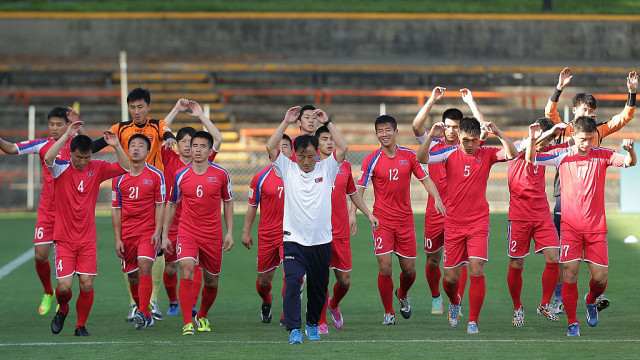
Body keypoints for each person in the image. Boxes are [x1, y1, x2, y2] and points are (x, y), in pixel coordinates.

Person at [526, 116, 636, 336]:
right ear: (574, 136)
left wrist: (630, 152)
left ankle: (590, 299)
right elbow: (531, 158)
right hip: (570, 228)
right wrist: (534, 138)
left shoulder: (602, 155)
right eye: (582, 139)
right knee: (570, 274)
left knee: (599, 278)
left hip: (596, 228)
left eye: (590, 139)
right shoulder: (562, 155)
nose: (586, 143)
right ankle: (572, 323)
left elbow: (629, 162)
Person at [268, 106, 367, 344]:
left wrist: (328, 121)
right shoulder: (288, 168)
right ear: (295, 155)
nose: (305, 161)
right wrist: (285, 121)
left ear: (317, 154)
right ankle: (294, 329)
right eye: (301, 156)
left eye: (310, 156)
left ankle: (312, 325)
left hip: (322, 242)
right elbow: (271, 147)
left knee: (318, 289)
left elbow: (344, 147)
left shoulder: (328, 168)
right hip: (293, 241)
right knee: (293, 282)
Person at [544, 68, 637, 313]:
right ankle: (560, 298)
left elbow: (623, 118)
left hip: (590, 195)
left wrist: (632, 94)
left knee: (589, 251)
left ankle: (592, 293)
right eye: (585, 110)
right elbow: (548, 113)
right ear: (575, 111)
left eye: (592, 111)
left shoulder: (598, 131)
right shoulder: (565, 130)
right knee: (564, 254)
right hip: (565, 194)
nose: (589, 114)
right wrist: (559, 87)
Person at [417, 117, 518, 334]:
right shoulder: (449, 152)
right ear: (459, 137)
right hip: (453, 223)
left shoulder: (487, 153)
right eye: (466, 140)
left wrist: (498, 132)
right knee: (450, 280)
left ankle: (473, 320)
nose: (470, 144)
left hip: (479, 223)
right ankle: (454, 301)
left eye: (473, 140)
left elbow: (513, 154)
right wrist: (431, 137)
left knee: (476, 269)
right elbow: (421, 158)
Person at [94, 87, 178, 322]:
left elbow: (169, 134)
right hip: (129, 193)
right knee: (133, 269)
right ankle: (137, 303)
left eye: (140, 106)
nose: (136, 111)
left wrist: (171, 140)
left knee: (151, 256)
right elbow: (93, 147)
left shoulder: (157, 126)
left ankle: (150, 303)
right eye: (132, 107)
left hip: (154, 191)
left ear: (148, 107)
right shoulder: (119, 128)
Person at [356, 114, 445, 326]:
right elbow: (357, 191)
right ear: (376, 134)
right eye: (380, 131)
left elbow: (426, 180)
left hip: (405, 221)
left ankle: (402, 294)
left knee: (409, 270)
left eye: (388, 130)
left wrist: (437, 199)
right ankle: (389, 312)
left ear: (396, 132)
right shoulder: (371, 159)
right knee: (385, 267)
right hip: (382, 222)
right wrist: (366, 214)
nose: (384, 134)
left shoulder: (409, 156)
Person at [45, 120, 129, 336]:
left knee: (86, 283)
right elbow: (48, 158)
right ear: (71, 153)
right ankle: (63, 308)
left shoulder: (98, 168)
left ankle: (80, 325)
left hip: (87, 240)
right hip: (63, 239)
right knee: (64, 288)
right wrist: (66, 135)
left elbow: (126, 167)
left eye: (87, 157)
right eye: (79, 157)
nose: (83, 162)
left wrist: (116, 145)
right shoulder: (61, 167)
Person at [411, 87, 487, 315]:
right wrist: (432, 99)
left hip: (461, 213)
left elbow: (483, 130)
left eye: (456, 126)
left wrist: (472, 102)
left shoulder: (468, 146)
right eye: (448, 126)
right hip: (435, 211)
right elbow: (416, 126)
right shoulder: (433, 143)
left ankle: (458, 301)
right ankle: (436, 297)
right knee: (433, 260)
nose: (452, 131)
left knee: (462, 260)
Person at [0, 107, 75, 316]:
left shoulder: (75, 144)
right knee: (41, 255)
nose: (54, 128)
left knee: (69, 271)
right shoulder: (42, 145)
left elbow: (90, 148)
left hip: (69, 214)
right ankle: (48, 292)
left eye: (59, 124)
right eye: (51, 124)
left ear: (68, 126)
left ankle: (63, 300)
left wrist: (78, 129)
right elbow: (11, 148)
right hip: (47, 212)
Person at [161, 131, 234, 336]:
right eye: (194, 146)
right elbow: (172, 204)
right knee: (186, 268)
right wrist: (165, 235)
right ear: (190, 149)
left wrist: (229, 232)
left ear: (210, 151)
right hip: (187, 231)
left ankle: (201, 315)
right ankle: (187, 323)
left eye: (203, 146)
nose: (198, 150)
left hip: (212, 234)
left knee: (211, 281)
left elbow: (228, 202)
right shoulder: (180, 176)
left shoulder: (221, 174)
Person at [161, 99, 223, 317]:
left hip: (194, 226)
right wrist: (176, 109)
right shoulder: (169, 158)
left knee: (192, 266)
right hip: (171, 222)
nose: (188, 146)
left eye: (192, 142)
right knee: (170, 268)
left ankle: (192, 306)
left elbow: (217, 139)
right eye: (184, 141)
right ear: (176, 144)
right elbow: (160, 130)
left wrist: (200, 116)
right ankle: (173, 301)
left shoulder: (204, 161)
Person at [315, 125, 379, 334]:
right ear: (317, 142)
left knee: (344, 281)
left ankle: (333, 305)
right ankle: (321, 320)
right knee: (321, 279)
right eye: (325, 139)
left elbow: (353, 193)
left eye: (331, 139)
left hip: (341, 231)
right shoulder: (308, 165)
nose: (329, 142)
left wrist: (368, 214)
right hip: (318, 233)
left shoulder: (344, 166)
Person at [505, 118, 569, 327]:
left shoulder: (547, 151)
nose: (549, 141)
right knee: (517, 263)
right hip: (519, 216)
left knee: (554, 258)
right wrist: (545, 134)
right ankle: (517, 308)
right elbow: (529, 146)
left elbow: (572, 144)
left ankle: (544, 304)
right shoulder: (517, 146)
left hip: (541, 214)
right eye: (547, 136)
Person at [112, 134, 166, 330]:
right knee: (133, 276)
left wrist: (157, 232)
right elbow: (116, 210)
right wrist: (118, 238)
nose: (136, 149)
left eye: (140, 146)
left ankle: (143, 312)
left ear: (148, 151)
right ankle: (144, 311)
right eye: (132, 145)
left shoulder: (156, 175)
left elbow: (161, 205)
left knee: (145, 266)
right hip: (127, 235)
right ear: (127, 150)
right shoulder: (118, 178)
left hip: (147, 232)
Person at [241, 135, 293, 324]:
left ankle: (286, 314)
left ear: (291, 151)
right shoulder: (260, 177)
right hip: (267, 235)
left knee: (291, 275)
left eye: (285, 146)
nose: (281, 150)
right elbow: (252, 207)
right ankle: (267, 300)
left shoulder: (297, 175)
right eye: (277, 147)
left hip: (290, 235)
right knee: (263, 282)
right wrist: (246, 231)